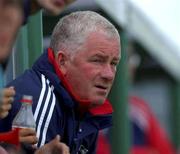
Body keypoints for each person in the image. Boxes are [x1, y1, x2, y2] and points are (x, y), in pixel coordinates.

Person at [0, 10, 121, 154]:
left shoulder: (86, 107)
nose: (109, 74)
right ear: (62, 61)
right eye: (97, 60)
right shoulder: (37, 99)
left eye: (114, 63)